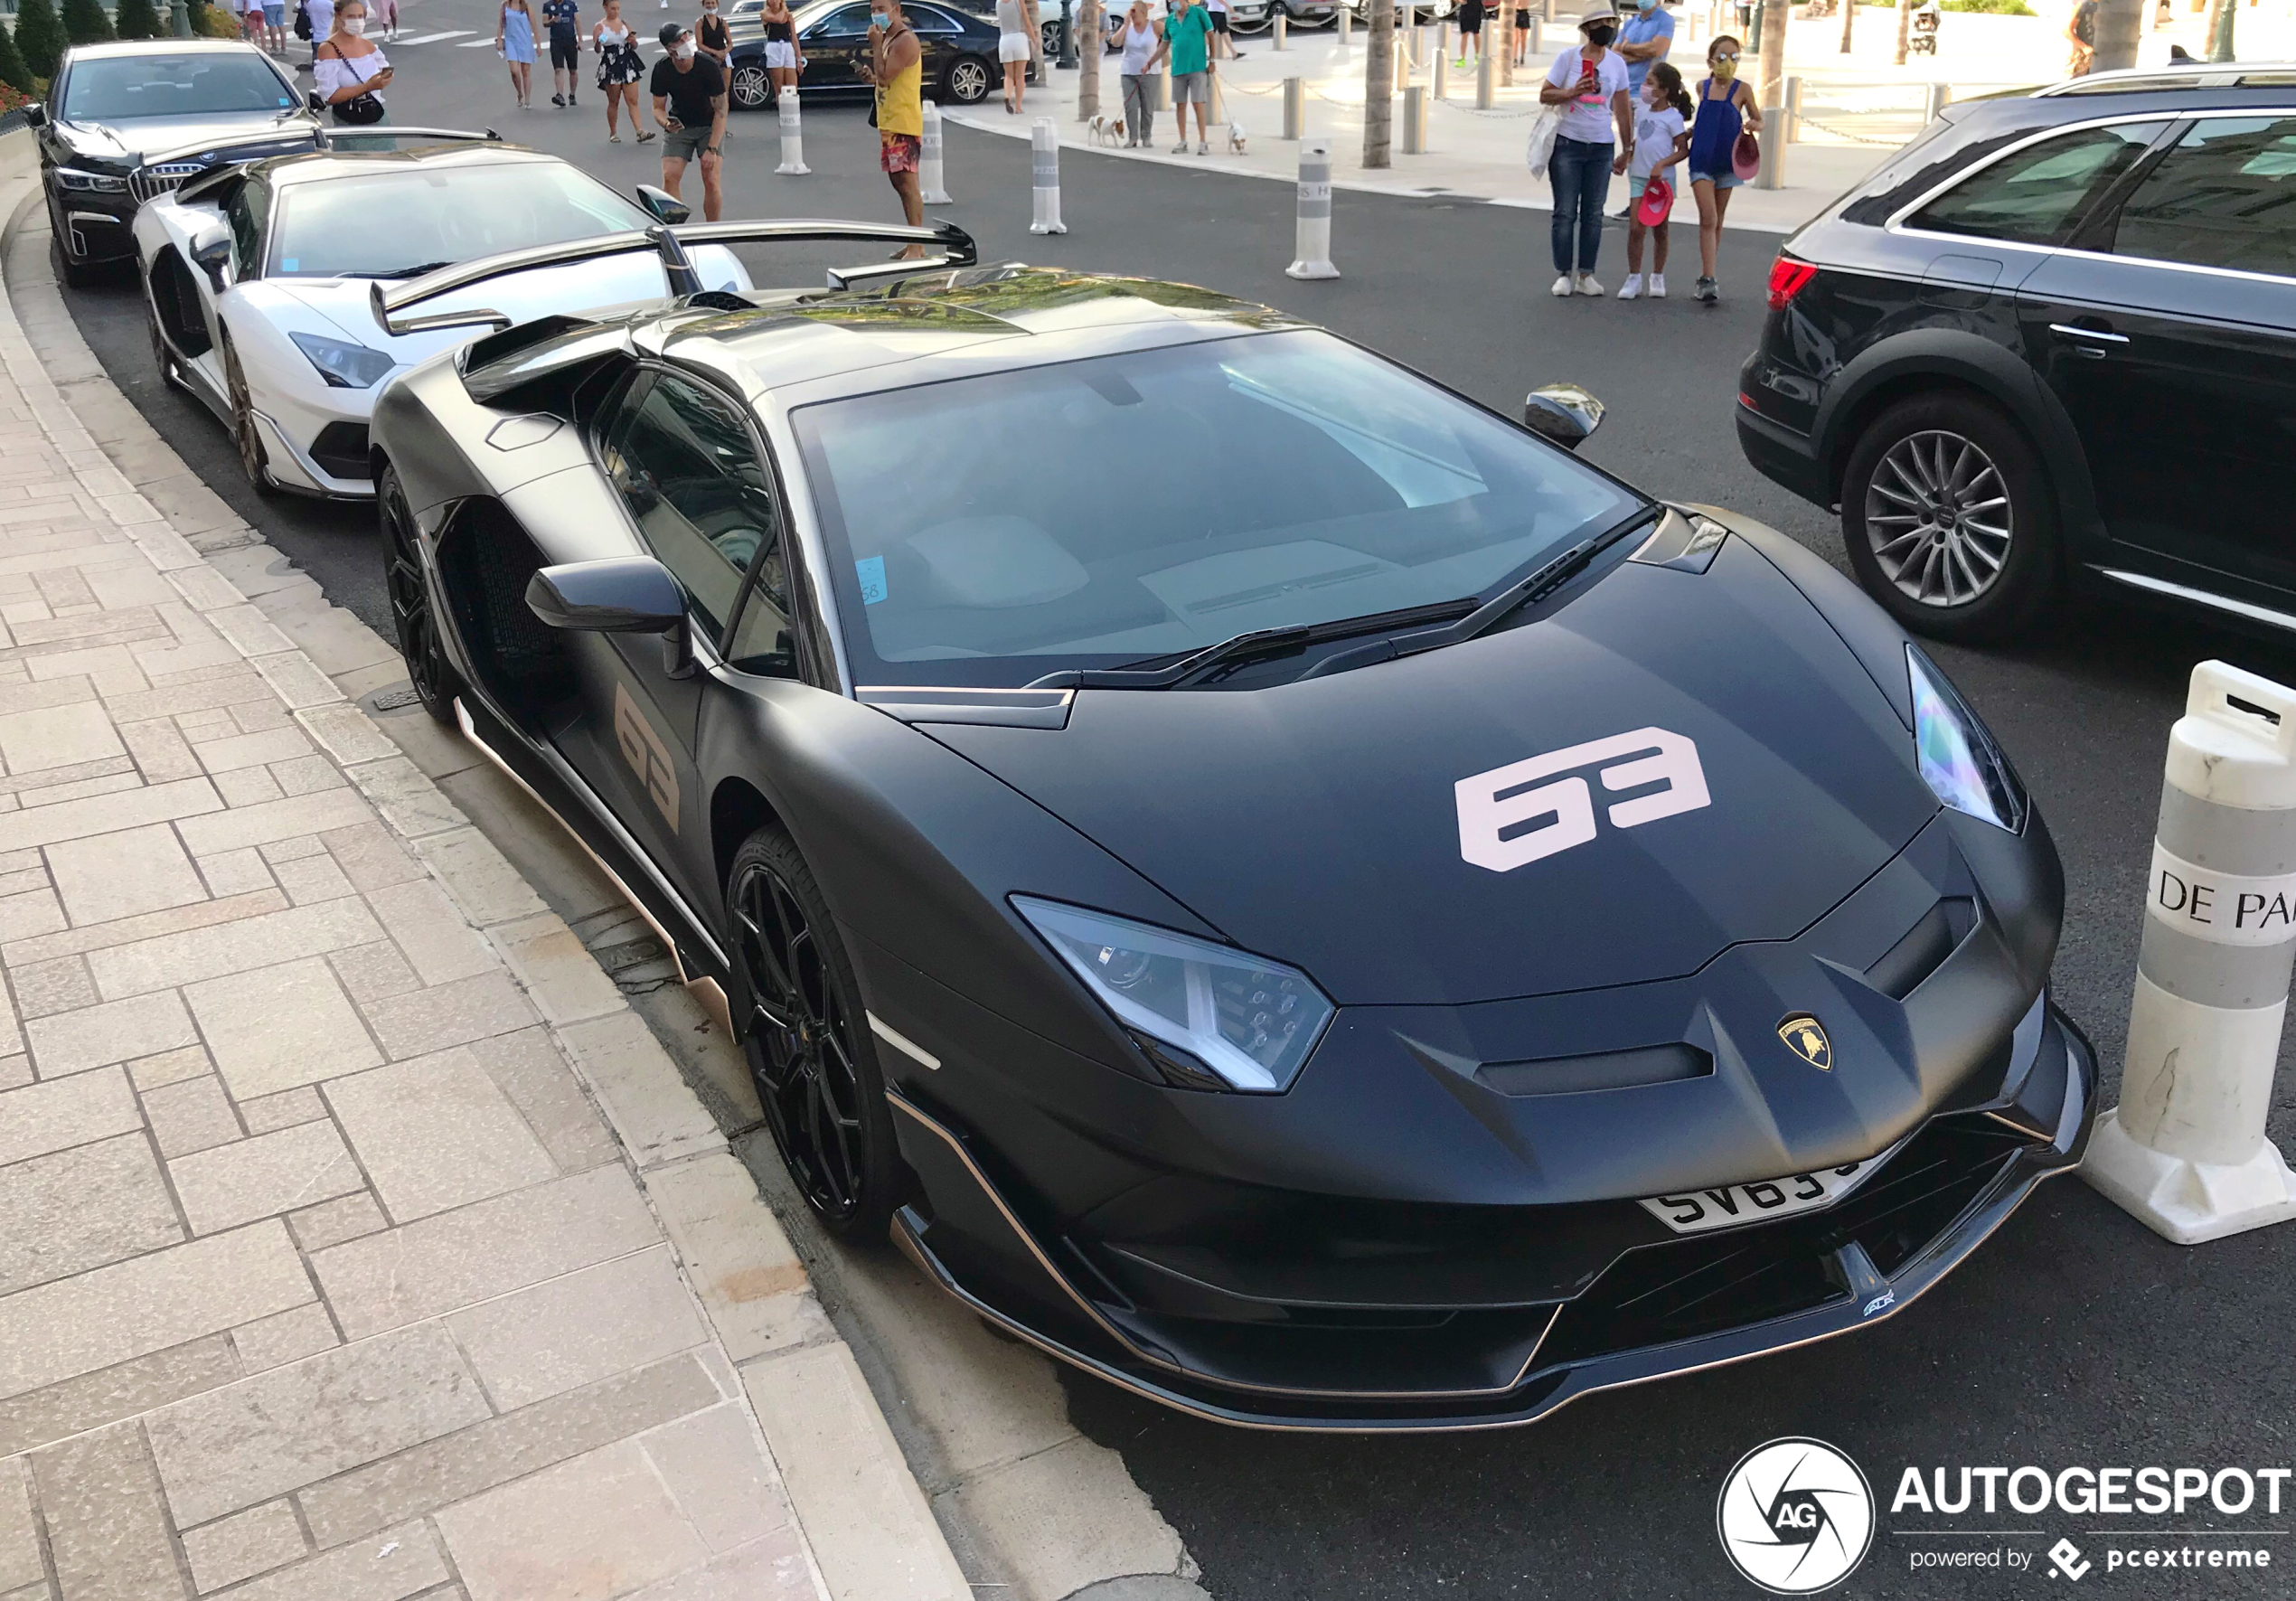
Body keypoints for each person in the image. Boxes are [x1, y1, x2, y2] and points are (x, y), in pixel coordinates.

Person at [1539, 5, 1632, 297]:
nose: (1608, 27)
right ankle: (1563, 274)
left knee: (1593, 213)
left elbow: (1622, 108)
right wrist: (1572, 91)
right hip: (1568, 142)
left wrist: (1627, 148)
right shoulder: (1567, 59)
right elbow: (1545, 94)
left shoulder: (1617, 64)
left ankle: (1586, 274)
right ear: (1588, 29)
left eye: (1611, 22)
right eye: (1602, 22)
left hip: (1602, 145)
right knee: (1565, 211)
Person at [1684, 33, 1758, 301]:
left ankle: (1710, 273)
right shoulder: (1702, 87)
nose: (1728, 62)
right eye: (1723, 57)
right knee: (1709, 217)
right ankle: (1707, 278)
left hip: (1727, 161)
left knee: (1718, 220)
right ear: (1711, 60)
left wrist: (1753, 126)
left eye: (1734, 57)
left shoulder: (1743, 89)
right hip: (1701, 159)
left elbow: (1758, 118)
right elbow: (1704, 120)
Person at [855, 0, 927, 256]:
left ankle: (918, 246)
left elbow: (886, 78)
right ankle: (913, 241)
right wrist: (870, 76)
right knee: (898, 181)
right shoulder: (889, 39)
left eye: (881, 8)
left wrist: (875, 45)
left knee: (908, 183)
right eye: (873, 8)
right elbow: (884, 78)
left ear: (896, 9)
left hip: (903, 122)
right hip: (889, 120)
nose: (876, 14)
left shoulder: (904, 40)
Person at [1616, 61, 1689, 298]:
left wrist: (1662, 164)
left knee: (1660, 228)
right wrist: (1626, 154)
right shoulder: (1642, 111)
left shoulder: (1673, 118)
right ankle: (1633, 277)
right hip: (1639, 176)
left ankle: (1657, 275)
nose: (1645, 87)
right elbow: (1642, 140)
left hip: (1662, 182)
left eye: (1650, 83)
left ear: (1664, 91)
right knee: (1636, 228)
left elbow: (1682, 149)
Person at [653, 22, 727, 219]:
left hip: (709, 125)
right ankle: (676, 228)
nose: (686, 42)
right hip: (681, 125)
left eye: (686, 37)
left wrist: (712, 148)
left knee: (710, 177)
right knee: (670, 176)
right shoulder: (662, 69)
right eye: (679, 40)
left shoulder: (707, 66)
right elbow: (657, 108)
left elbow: (721, 111)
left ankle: (713, 231)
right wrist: (666, 123)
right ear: (670, 50)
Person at [1152, 0, 1214, 155]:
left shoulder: (1198, 13)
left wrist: (1212, 60)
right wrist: (1150, 62)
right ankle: (1183, 140)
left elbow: (1211, 35)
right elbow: (1164, 44)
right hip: (1178, 68)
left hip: (1197, 66)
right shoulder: (1170, 21)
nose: (1173, 3)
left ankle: (1203, 141)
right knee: (1180, 105)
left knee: (1198, 103)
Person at [313, 0, 391, 120]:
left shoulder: (367, 45)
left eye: (360, 16)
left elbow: (384, 70)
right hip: (350, 119)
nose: (357, 21)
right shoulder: (328, 49)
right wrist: (367, 86)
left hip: (378, 114)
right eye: (351, 17)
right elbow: (330, 96)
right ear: (338, 17)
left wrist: (384, 79)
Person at [597, 0, 654, 139]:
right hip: (611, 63)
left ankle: (639, 131)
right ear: (605, 8)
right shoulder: (600, 26)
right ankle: (613, 132)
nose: (616, 11)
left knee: (633, 100)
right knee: (614, 101)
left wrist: (632, 41)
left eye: (618, 8)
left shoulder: (624, 24)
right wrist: (599, 40)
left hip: (627, 62)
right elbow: (597, 48)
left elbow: (634, 45)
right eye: (613, 8)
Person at [1116, 0, 1157, 145]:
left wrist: (1163, 56)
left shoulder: (1154, 25)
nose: (1132, 15)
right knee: (1131, 107)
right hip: (1128, 72)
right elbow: (1115, 42)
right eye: (1130, 12)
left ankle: (1146, 136)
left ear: (1144, 13)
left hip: (1150, 73)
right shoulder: (1128, 27)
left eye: (1135, 12)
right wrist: (1126, 24)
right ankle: (1133, 137)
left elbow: (1168, 39)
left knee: (1148, 107)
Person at [499, 0, 540, 107]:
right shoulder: (505, 6)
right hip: (511, 41)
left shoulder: (526, 7)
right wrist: (499, 39)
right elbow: (501, 24)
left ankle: (527, 100)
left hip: (525, 41)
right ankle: (519, 93)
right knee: (514, 71)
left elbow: (534, 26)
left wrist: (538, 45)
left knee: (525, 71)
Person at [761, 0, 804, 99]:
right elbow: (779, 19)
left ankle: (792, 110)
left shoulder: (788, 16)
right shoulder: (765, 14)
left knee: (792, 86)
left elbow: (794, 37)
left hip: (787, 46)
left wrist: (798, 59)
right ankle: (782, 108)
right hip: (774, 46)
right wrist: (784, 8)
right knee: (779, 86)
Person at [544, 0, 581, 104]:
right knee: (558, 69)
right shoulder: (548, 5)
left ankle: (572, 94)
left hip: (570, 39)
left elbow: (577, 21)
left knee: (573, 69)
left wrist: (580, 40)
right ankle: (559, 95)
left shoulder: (571, 4)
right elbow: (544, 22)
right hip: (556, 41)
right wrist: (552, 21)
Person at [997, 0, 1030, 111]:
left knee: (1009, 75)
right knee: (1020, 76)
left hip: (1005, 40)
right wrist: (1034, 40)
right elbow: (1027, 21)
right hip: (1019, 39)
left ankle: (1007, 96)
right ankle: (1018, 107)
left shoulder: (998, 2)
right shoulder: (1018, 1)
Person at [2064, 0, 2098, 75]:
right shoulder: (2084, 5)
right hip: (2083, 57)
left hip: (2100, 57)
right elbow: (2067, 32)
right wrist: (2084, 47)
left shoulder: (2108, 6)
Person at [696, 0, 731, 68]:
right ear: (704, 5)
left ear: (717, 4)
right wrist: (715, 53)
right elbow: (699, 44)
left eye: (713, 3)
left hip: (723, 57)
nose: (711, 5)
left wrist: (724, 52)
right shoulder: (700, 23)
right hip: (707, 57)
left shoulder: (723, 22)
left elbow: (730, 43)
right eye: (708, 3)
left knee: (725, 78)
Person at [1454, 0, 1482, 66]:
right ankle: (1462, 57)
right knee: (1464, 34)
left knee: (1476, 33)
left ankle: (1477, 55)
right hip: (1465, 9)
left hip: (1476, 8)